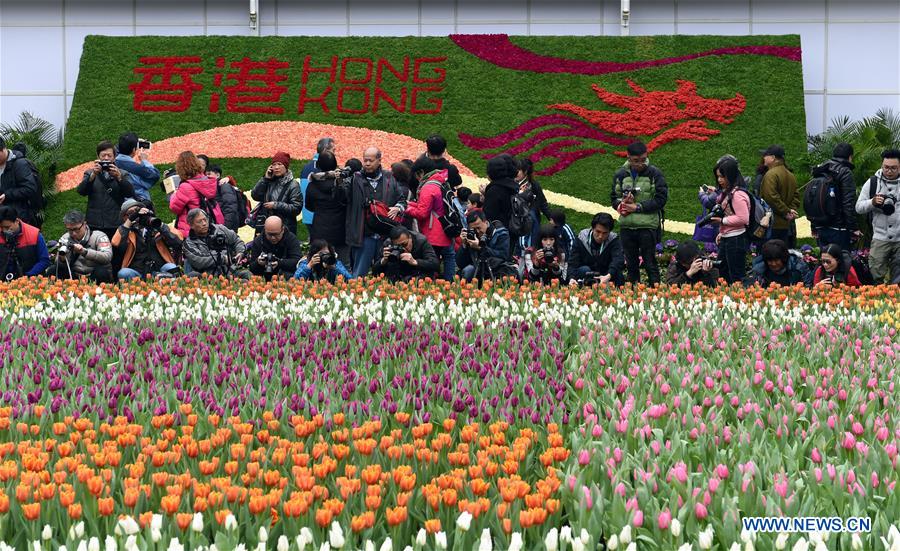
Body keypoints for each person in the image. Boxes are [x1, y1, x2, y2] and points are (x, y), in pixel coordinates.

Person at [341, 147, 408, 278]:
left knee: (385, 275)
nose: (367, 163)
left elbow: (402, 200)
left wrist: (398, 207)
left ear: (379, 160)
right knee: (359, 275)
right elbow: (341, 198)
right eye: (365, 160)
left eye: (370, 160)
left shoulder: (389, 177)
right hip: (363, 235)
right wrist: (339, 182)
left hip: (385, 235)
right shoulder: (355, 178)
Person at [611, 141, 668, 286]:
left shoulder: (654, 173)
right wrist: (621, 205)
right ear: (628, 158)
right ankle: (633, 295)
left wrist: (637, 207)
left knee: (650, 263)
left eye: (643, 160)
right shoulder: (620, 174)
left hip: (647, 226)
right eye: (636, 161)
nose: (640, 164)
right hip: (627, 226)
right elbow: (613, 198)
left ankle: (656, 292)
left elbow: (661, 199)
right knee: (631, 264)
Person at [404, 157, 456, 281]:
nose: (417, 178)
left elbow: (422, 213)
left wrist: (406, 209)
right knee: (448, 257)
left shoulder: (428, 187)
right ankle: (450, 282)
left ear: (421, 172)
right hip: (444, 227)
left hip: (434, 232)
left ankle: (432, 284)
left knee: (432, 261)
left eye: (417, 174)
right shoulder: (440, 181)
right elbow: (430, 207)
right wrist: (410, 204)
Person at [855, 149, 900, 284]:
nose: (889, 171)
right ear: (882, 166)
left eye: (893, 168)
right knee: (875, 275)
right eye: (886, 167)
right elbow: (858, 207)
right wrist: (872, 202)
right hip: (880, 238)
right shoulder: (872, 182)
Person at [77, 140, 136, 240]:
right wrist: (93, 175)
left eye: (109, 156)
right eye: (103, 155)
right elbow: (81, 191)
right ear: (98, 156)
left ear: (114, 157)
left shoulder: (123, 173)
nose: (106, 158)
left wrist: (119, 177)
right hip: (95, 223)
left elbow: (130, 192)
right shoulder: (89, 173)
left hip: (115, 222)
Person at [113, 199, 183, 281]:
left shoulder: (156, 227)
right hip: (137, 272)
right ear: (125, 218)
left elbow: (178, 240)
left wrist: (159, 225)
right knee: (123, 273)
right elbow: (115, 242)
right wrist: (130, 220)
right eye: (131, 213)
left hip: (160, 269)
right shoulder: (126, 231)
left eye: (137, 210)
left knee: (171, 267)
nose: (137, 215)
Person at [707, 157, 750, 285]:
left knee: (736, 276)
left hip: (736, 239)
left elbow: (743, 218)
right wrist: (722, 232)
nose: (719, 180)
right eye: (718, 176)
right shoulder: (728, 192)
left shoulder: (737, 195)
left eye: (722, 176)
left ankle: (738, 300)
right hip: (728, 237)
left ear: (730, 176)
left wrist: (722, 221)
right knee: (724, 273)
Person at [809, 142, 859, 250]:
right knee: (841, 260)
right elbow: (848, 203)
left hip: (820, 225)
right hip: (838, 228)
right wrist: (853, 228)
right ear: (850, 157)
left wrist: (813, 225)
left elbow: (813, 198)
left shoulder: (820, 169)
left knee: (826, 261)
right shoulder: (845, 172)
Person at [305, 152, 350, 265]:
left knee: (319, 264)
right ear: (335, 164)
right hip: (341, 230)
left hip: (320, 229)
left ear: (318, 165)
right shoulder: (342, 183)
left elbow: (309, 206)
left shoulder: (312, 184)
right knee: (343, 264)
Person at [182, 209, 249, 279]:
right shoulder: (188, 243)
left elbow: (236, 240)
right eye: (199, 221)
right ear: (191, 225)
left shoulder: (220, 229)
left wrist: (240, 252)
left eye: (205, 219)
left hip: (230, 271)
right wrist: (222, 259)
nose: (204, 223)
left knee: (247, 274)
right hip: (207, 277)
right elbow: (199, 261)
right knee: (192, 276)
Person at [169, 151, 224, 236]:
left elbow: (174, 208)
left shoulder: (185, 186)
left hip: (191, 229)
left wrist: (174, 194)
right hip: (208, 225)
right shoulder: (207, 180)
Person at [457, 209, 518, 283]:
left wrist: (480, 248)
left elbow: (503, 256)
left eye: (479, 228)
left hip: (496, 269)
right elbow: (460, 263)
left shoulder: (500, 233)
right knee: (467, 271)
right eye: (474, 229)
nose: (478, 231)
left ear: (485, 222)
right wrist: (464, 245)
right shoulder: (472, 236)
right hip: (477, 269)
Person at [51, 210, 113, 282]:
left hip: (94, 274)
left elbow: (107, 257)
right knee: (52, 270)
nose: (73, 233)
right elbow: (59, 265)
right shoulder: (65, 238)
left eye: (76, 229)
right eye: (70, 230)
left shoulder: (99, 236)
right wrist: (62, 259)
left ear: (84, 224)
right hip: (74, 275)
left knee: (101, 272)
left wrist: (84, 252)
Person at [251, 152, 303, 236]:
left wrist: (276, 205)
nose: (276, 167)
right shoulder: (268, 181)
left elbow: (296, 208)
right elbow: (255, 196)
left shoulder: (293, 185)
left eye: (279, 164)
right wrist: (265, 179)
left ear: (286, 167)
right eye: (274, 164)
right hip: (266, 226)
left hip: (285, 229)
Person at [568, 212, 624, 286]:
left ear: (609, 232)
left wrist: (609, 275)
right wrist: (572, 278)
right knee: (584, 269)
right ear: (592, 228)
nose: (600, 236)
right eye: (598, 232)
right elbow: (573, 262)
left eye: (605, 233)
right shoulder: (581, 238)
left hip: (605, 274)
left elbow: (618, 259)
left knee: (617, 272)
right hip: (586, 274)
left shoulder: (613, 240)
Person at [759, 144, 799, 248]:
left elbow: (771, 197)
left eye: (765, 155)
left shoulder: (770, 174)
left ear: (773, 158)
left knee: (770, 255)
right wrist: (791, 211)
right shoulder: (790, 175)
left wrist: (786, 212)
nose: (763, 158)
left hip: (773, 223)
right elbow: (796, 196)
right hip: (786, 225)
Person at [372, 225, 440, 283]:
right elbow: (374, 271)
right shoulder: (388, 244)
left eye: (404, 244)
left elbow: (435, 264)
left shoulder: (421, 241)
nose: (403, 248)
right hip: (396, 279)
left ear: (410, 237)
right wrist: (383, 261)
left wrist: (415, 262)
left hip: (417, 279)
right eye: (398, 246)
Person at [0, 136, 42, 226]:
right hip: (3, 218)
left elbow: (30, 188)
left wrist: (7, 195)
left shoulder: (20, 164)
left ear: (3, 149)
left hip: (20, 219)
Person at [0, 205, 49, 280]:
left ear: (17, 221)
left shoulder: (34, 234)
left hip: (30, 281)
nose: (4, 230)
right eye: (1, 227)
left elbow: (44, 260)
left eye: (7, 227)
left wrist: (28, 277)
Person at [247, 216, 303, 281]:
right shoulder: (258, 241)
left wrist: (279, 263)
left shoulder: (291, 239)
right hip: (263, 277)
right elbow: (252, 268)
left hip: (285, 276)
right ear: (265, 230)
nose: (273, 238)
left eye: (276, 234)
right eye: (270, 234)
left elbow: (298, 262)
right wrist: (258, 263)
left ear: (282, 230)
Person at [300, 138, 336, 235]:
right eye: (333, 150)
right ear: (325, 150)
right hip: (319, 217)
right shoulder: (324, 166)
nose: (335, 153)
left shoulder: (307, 167)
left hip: (308, 215)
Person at [515, 158, 552, 250]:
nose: (514, 172)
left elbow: (543, 203)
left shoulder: (534, 185)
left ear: (525, 172)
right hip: (515, 222)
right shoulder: (511, 184)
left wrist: (551, 218)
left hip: (530, 222)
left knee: (530, 247)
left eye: (517, 170)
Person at [115, 132, 160, 203]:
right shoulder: (135, 168)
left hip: (119, 203)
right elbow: (155, 175)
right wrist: (144, 160)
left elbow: (116, 149)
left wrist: (129, 141)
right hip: (139, 202)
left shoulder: (114, 161)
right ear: (133, 150)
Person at [747, 239, 812, 288]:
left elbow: (808, 286)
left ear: (784, 258)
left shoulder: (798, 267)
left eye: (776, 260)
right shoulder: (759, 271)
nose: (773, 264)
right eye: (770, 261)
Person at [206, 164, 249, 232]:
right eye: (206, 175)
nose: (207, 176)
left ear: (217, 175)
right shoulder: (213, 187)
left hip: (227, 227)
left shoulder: (224, 186)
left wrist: (225, 228)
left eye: (209, 174)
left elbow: (230, 208)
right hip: (221, 226)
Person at [482, 154, 519, 230]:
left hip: (500, 232)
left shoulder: (494, 190)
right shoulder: (512, 185)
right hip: (513, 227)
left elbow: (489, 215)